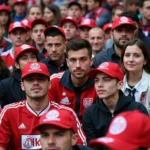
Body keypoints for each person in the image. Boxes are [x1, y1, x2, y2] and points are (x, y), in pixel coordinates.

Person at [0, 62, 86, 149]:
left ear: (49, 84)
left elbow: (81, 146)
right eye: (30, 79)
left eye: (41, 79)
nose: (36, 83)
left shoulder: (67, 113)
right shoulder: (9, 112)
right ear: (22, 85)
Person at [82, 62, 148, 143]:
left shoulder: (137, 110)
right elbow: (91, 146)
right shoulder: (90, 113)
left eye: (106, 80)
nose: (99, 85)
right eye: (96, 80)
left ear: (120, 84)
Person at [48, 39, 97, 120]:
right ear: (67, 62)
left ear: (91, 61)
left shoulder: (99, 83)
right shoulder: (54, 81)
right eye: (73, 60)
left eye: (83, 59)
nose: (78, 65)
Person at [121, 38, 150, 115]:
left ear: (145, 60)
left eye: (136, 56)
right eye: (127, 55)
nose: (131, 59)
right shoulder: (116, 83)